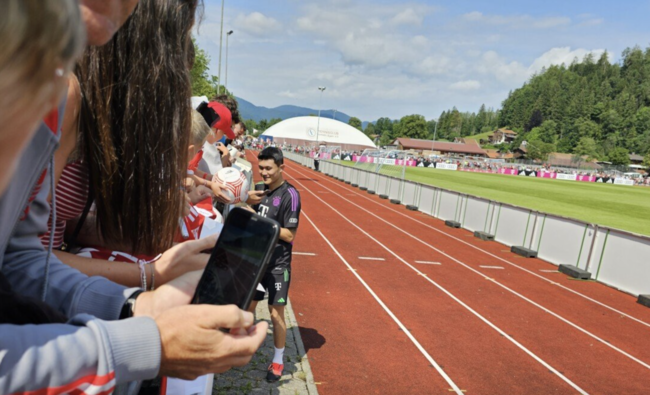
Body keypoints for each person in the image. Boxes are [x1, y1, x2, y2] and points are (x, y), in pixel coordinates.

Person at [0, 1, 267, 393]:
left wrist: (136, 306)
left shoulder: (56, 89)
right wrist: (146, 338)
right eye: (179, 44)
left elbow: (19, 258)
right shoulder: (61, 94)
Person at [248, 147, 302, 383]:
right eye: (261, 168)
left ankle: (278, 360)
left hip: (277, 265)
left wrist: (260, 221)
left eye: (269, 168)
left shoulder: (291, 194)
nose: (264, 173)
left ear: (281, 167)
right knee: (246, 307)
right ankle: (238, 347)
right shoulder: (260, 190)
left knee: (275, 313)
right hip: (257, 261)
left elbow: (289, 235)